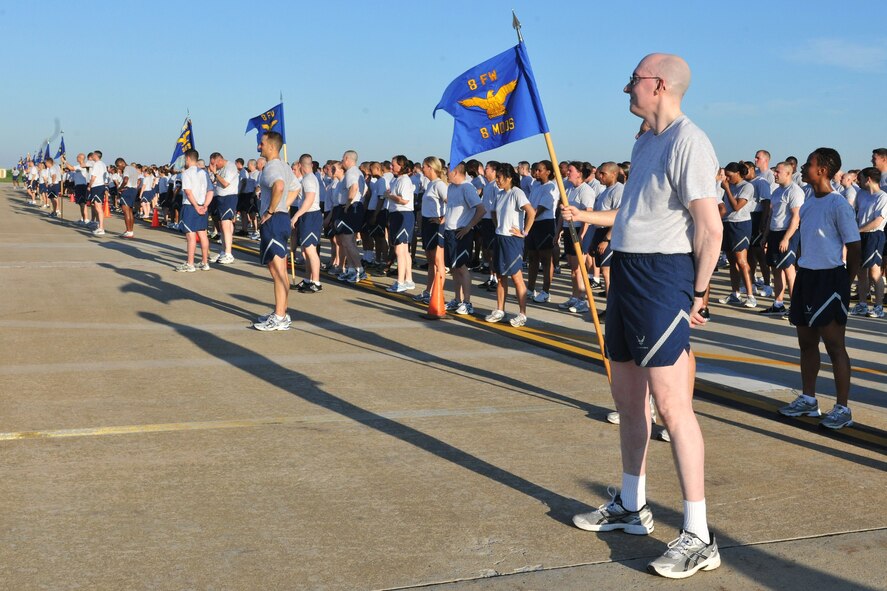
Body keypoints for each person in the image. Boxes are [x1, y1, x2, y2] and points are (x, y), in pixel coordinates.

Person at [565, 53, 723, 579]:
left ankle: (699, 535)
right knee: (628, 402)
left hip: (663, 279)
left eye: (632, 79)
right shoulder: (644, 140)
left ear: (657, 85)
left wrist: (697, 294)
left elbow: (709, 227)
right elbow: (633, 211)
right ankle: (631, 507)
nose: (625, 87)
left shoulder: (688, 141)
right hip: (628, 274)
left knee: (674, 410)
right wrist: (585, 215)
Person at [779, 148, 861, 429]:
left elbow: (854, 247)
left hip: (831, 279)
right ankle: (808, 400)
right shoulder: (810, 202)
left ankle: (842, 408)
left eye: (809, 163)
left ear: (823, 170)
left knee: (835, 346)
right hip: (807, 278)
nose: (804, 167)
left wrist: (845, 284)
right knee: (806, 343)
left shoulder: (839, 205)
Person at [253, 132, 296, 330]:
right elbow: (296, 188)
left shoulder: (272, 167)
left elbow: (279, 186)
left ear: (271, 146)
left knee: (278, 271)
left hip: (274, 221)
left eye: (261, 144)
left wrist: (271, 210)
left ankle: (279, 317)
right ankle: (281, 312)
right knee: (278, 270)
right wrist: (283, 207)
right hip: (281, 219)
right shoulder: (285, 167)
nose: (258, 147)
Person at [485, 163, 535, 327]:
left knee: (516, 277)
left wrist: (524, 232)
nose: (497, 180)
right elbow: (493, 212)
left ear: (509, 178)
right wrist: (498, 226)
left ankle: (522, 313)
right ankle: (500, 309)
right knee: (500, 276)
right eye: (497, 177)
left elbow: (531, 212)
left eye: (499, 177)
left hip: (513, 240)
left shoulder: (517, 193)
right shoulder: (500, 194)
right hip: (500, 237)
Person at [759, 162, 803, 317]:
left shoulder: (795, 191)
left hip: (787, 234)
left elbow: (796, 217)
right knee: (776, 269)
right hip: (774, 233)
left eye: (778, 172)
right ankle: (778, 304)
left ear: (788, 173)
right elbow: (772, 215)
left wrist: (786, 239)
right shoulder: (777, 191)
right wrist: (765, 235)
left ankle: (795, 306)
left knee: (789, 270)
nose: (775, 174)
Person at [443, 162, 486, 314]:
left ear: (455, 172)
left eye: (447, 170)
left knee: (461, 267)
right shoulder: (451, 187)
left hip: (461, 233)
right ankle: (457, 299)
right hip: (449, 232)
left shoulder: (467, 187)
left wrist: (469, 227)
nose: (445, 173)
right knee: (454, 268)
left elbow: (481, 209)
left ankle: (467, 302)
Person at [717, 162, 756, 308]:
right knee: (732, 261)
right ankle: (735, 294)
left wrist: (727, 189)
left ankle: (750, 295)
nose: (727, 178)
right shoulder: (729, 186)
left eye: (729, 176)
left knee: (741, 261)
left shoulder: (747, 186)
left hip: (740, 225)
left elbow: (736, 206)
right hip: (728, 222)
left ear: (738, 173)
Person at [849, 167, 886, 318]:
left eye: (861, 178)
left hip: (874, 235)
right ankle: (863, 304)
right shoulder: (861, 194)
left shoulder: (882, 197)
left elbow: (878, 221)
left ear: (868, 179)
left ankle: (878, 307)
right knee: (860, 271)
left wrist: (858, 230)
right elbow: (855, 212)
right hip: (860, 235)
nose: (859, 181)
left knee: (874, 271)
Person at [558, 162, 595, 313]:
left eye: (571, 170)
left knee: (580, 268)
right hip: (569, 229)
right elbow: (563, 213)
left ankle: (583, 300)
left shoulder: (586, 190)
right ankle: (575, 297)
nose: (567, 172)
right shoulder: (569, 189)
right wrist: (558, 231)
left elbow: (589, 214)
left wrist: (581, 235)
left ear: (579, 173)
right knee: (573, 269)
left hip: (580, 230)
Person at [412, 157, 448, 304]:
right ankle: (429, 291)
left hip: (436, 225)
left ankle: (437, 294)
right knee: (431, 261)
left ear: (431, 168)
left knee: (439, 262)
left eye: (424, 167)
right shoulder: (430, 184)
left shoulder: (439, 185)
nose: (422, 169)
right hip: (428, 223)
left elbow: (450, 202)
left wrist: (443, 218)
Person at [525, 160, 558, 303]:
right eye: (535, 170)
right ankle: (530, 288)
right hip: (533, 223)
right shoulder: (536, 185)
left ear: (548, 172)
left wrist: (529, 221)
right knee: (532, 257)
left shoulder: (551, 187)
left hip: (545, 224)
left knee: (545, 258)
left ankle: (546, 291)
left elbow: (540, 209)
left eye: (539, 170)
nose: (536, 172)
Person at [177, 149, 214, 273]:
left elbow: (188, 191)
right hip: (202, 205)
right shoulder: (204, 173)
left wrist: (196, 206)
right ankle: (204, 262)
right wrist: (205, 205)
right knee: (202, 234)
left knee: (191, 236)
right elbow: (210, 190)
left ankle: (190, 263)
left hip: (190, 206)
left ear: (188, 158)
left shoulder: (186, 173)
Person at [590, 162, 624, 294]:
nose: (600, 176)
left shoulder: (618, 190)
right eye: (600, 173)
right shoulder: (605, 191)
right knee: (604, 270)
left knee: (606, 271)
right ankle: (609, 304)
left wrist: (606, 239)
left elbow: (618, 216)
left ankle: (610, 307)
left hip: (610, 233)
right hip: (599, 231)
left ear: (614, 174)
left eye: (603, 173)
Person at [291, 153, 323, 294]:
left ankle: (315, 282)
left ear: (300, 165)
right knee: (305, 251)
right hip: (307, 215)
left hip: (310, 215)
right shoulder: (307, 178)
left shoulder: (309, 179)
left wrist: (296, 216)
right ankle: (308, 279)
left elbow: (309, 199)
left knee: (310, 250)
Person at [384, 155, 416, 293]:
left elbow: (405, 200)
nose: (391, 167)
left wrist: (390, 196)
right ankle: (408, 279)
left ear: (401, 166)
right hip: (396, 215)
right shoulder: (396, 180)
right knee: (403, 250)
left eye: (394, 165)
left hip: (403, 215)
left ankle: (400, 282)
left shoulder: (404, 180)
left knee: (399, 250)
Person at [208, 152, 239, 265]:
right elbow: (213, 181)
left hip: (228, 197)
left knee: (226, 225)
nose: (213, 166)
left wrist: (215, 173)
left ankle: (228, 253)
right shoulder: (217, 170)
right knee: (222, 226)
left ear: (219, 160)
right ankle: (223, 251)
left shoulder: (230, 167)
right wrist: (212, 173)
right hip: (219, 198)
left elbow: (225, 183)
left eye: (214, 164)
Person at [86, 151, 107, 236]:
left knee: (98, 208)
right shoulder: (103, 164)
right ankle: (99, 225)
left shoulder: (97, 164)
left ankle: (101, 228)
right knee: (97, 207)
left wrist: (89, 186)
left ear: (96, 156)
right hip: (100, 186)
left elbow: (93, 177)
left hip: (97, 186)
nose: (92, 156)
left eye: (93, 154)